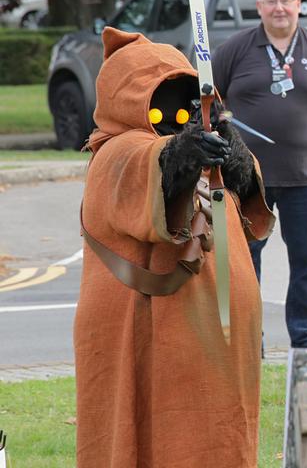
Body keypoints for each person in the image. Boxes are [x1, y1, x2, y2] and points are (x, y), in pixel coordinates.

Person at [74, 27, 274, 466]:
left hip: (217, 336)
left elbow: (247, 190)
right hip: (149, 333)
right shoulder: (114, 152)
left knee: (221, 439)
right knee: (152, 439)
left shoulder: (203, 134)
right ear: (130, 98)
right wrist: (184, 150)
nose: (177, 109)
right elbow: (154, 165)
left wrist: (228, 145)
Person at [212, 0, 307, 348]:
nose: (279, 8)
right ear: (258, 9)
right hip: (246, 178)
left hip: (306, 176)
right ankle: (246, 339)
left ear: (298, 6)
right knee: (244, 262)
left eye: (286, 1)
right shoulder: (235, 50)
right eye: (270, 2)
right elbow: (212, 99)